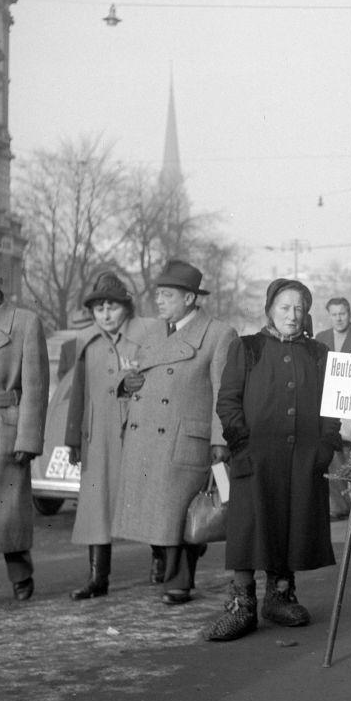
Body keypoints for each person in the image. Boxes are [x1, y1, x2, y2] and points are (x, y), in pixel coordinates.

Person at [205, 279, 342, 641]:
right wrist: (241, 444)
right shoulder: (247, 348)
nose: (292, 316)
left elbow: (334, 404)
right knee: (250, 526)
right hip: (256, 456)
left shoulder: (318, 354)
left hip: (302, 457)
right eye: (284, 307)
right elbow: (228, 401)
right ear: (269, 310)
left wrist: (326, 446)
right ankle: (242, 606)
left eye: (299, 308)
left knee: (291, 523)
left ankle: (280, 597)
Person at [112, 259, 238, 606]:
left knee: (180, 512)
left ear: (189, 299)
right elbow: (135, 375)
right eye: (159, 294)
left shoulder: (217, 334)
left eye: (167, 295)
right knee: (162, 513)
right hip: (148, 439)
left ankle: (178, 581)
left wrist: (220, 441)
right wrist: (128, 384)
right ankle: (170, 571)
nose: (160, 301)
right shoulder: (154, 333)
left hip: (187, 439)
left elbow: (223, 393)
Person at [65, 272, 163, 599]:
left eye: (112, 307)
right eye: (99, 308)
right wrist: (73, 439)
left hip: (138, 430)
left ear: (126, 307)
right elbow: (77, 392)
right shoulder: (86, 341)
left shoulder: (148, 334)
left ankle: (161, 559)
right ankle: (98, 578)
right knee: (96, 507)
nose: (105, 314)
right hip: (99, 437)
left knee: (147, 496)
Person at [0, 261, 50, 601]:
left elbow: (36, 386)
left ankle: (20, 575)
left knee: (9, 511)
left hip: (6, 426)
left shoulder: (24, 322)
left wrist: (28, 438)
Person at [316, 296, 351, 521]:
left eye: (342, 313)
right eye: (334, 314)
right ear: (329, 315)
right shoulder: (321, 339)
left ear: (349, 313)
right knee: (332, 456)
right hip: (329, 405)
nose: (338, 318)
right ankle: (339, 506)